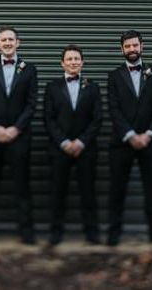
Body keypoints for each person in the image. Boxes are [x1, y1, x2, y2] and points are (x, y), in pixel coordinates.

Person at [107, 29, 152, 247]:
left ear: (142, 46)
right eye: (127, 46)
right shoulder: (114, 76)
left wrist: (148, 134)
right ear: (122, 50)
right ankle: (113, 234)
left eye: (135, 45)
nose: (132, 49)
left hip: (150, 142)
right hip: (122, 143)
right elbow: (114, 108)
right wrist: (129, 135)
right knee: (117, 189)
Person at [0, 25, 37, 244]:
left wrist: (15, 129)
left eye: (11, 39)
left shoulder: (29, 69)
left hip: (18, 137)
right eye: (3, 40)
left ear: (18, 42)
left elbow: (31, 104)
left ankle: (26, 231)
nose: (7, 43)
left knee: (22, 185)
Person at [43, 44, 101, 245]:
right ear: (62, 63)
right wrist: (64, 142)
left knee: (88, 193)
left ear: (82, 62)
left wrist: (81, 141)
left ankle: (92, 233)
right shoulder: (52, 87)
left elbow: (97, 119)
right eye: (69, 59)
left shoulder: (93, 87)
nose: (73, 62)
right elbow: (48, 119)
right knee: (58, 192)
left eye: (77, 59)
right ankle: (55, 233)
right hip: (60, 149)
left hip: (86, 149)